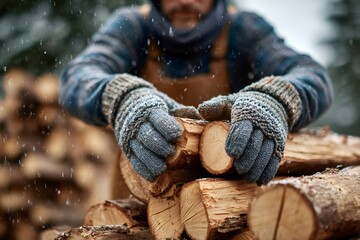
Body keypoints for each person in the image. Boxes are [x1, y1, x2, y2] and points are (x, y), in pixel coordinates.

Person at [60, 0, 333, 185]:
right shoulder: (132, 26)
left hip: (225, 206)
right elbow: (78, 78)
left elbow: (312, 75)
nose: (186, 1)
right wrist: (121, 97)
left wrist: (276, 99)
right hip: (137, 202)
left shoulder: (244, 29)